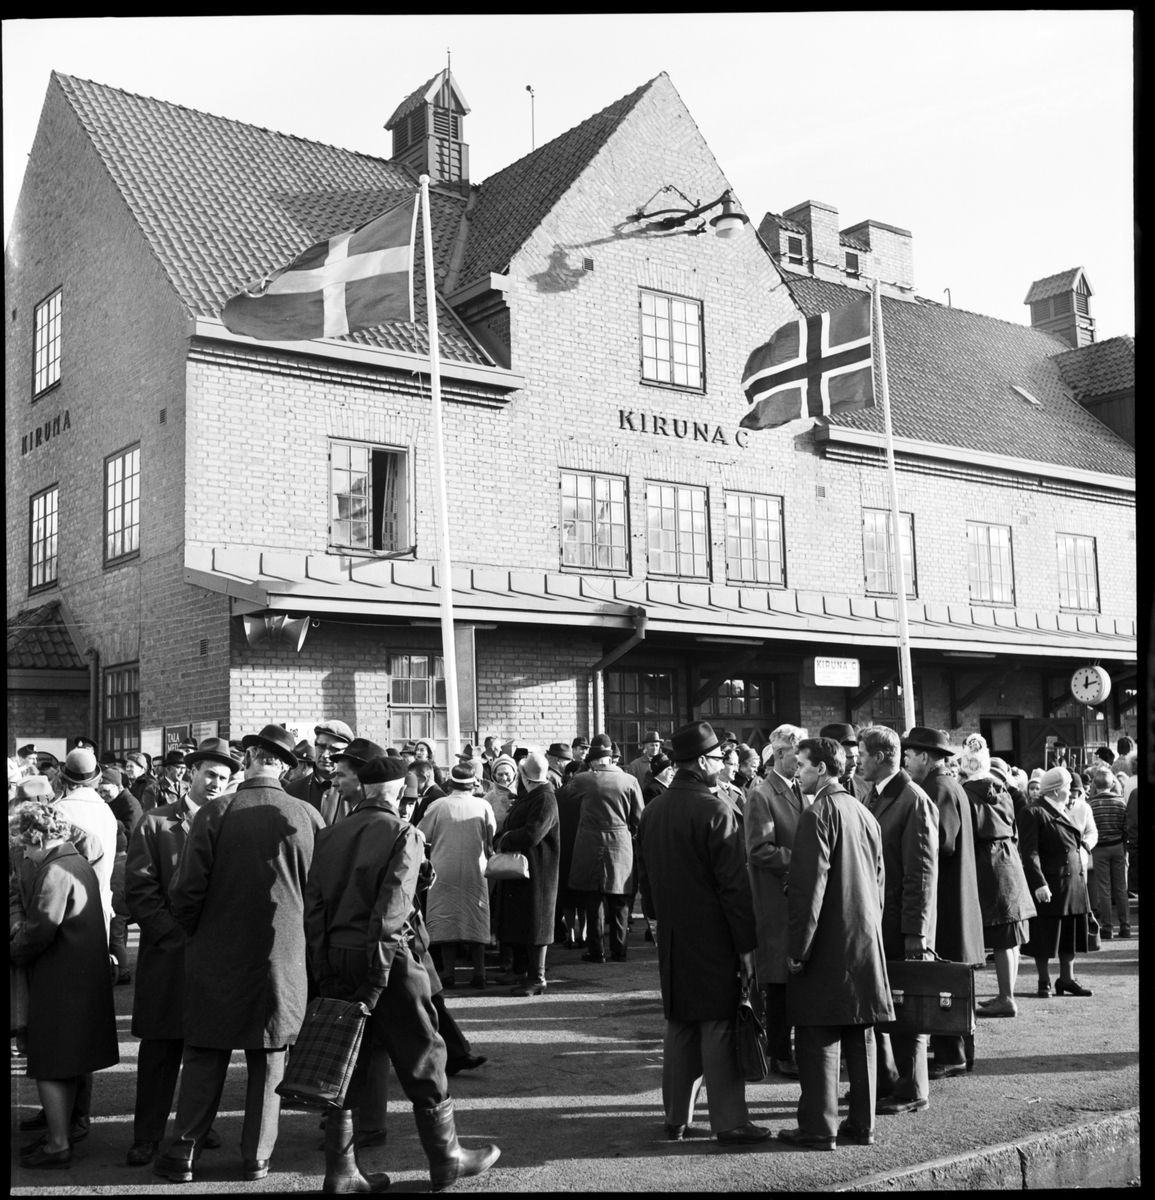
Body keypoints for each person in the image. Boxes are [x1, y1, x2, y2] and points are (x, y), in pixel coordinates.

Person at [304, 754, 499, 1193]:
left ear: (365, 789)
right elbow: (391, 910)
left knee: (346, 1060)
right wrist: (377, 976)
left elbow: (314, 907)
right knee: (423, 1052)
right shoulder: (403, 833)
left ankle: (342, 1172)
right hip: (387, 958)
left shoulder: (330, 834)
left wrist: (325, 966)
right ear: (396, 793)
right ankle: (446, 1159)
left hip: (337, 954)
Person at [153, 725, 324, 1184]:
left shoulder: (217, 811)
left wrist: (199, 933)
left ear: (248, 758)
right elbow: (322, 894)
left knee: (205, 1052)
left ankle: (183, 1152)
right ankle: (257, 1158)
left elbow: (186, 890)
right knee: (270, 1056)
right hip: (282, 958)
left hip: (216, 954)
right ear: (284, 767)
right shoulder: (307, 815)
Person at [636, 721, 768, 1146]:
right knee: (718, 1025)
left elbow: (646, 878)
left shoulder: (654, 810)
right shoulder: (716, 810)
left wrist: (656, 921)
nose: (724, 764)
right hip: (715, 934)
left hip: (673, 934)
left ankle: (676, 1117)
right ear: (699, 762)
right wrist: (746, 946)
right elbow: (734, 887)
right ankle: (729, 1122)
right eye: (717, 758)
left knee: (680, 1025)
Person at [123, 739, 236, 1166]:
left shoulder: (230, 825)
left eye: (224, 779)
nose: (216, 784)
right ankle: (147, 1135)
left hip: (212, 956)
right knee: (160, 1048)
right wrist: (174, 938)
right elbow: (140, 891)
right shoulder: (155, 823)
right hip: (167, 956)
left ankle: (196, 1126)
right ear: (191, 774)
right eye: (210, 775)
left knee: (205, 1048)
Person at [778, 737, 892, 1151]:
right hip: (864, 937)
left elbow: (808, 889)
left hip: (827, 940)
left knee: (818, 1035)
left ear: (822, 768)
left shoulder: (818, 813)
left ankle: (818, 1127)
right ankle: (863, 1124)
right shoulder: (864, 812)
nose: (797, 772)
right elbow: (879, 881)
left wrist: (798, 949)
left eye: (802, 765)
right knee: (860, 1033)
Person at [11, 798, 119, 1169]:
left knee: (48, 1062)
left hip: (59, 978)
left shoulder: (54, 871)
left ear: (37, 839)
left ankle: (57, 1143)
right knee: (68, 1062)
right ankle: (59, 1136)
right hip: (79, 975)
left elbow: (38, 931)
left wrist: (13, 947)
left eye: (25, 845)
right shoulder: (77, 861)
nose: (25, 853)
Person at [857, 724, 938, 1116]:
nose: (857, 761)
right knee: (884, 1004)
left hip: (901, 925)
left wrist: (915, 932)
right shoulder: (876, 795)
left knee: (908, 1005)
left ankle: (913, 1089)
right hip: (879, 920)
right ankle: (887, 1080)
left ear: (879, 757)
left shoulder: (913, 800)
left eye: (861, 754)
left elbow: (920, 874)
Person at [901, 728, 985, 1078]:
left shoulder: (938, 787)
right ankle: (958, 1052)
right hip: (955, 894)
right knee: (952, 979)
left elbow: (942, 843)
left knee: (946, 980)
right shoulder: (948, 784)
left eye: (909, 755)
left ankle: (953, 1055)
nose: (905, 761)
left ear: (925, 757)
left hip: (948, 897)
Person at [743, 723, 808, 1079]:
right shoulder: (762, 794)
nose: (803, 760)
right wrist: (804, 861)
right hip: (776, 899)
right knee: (779, 981)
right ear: (780, 754)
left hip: (797, 897)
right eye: (798, 753)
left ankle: (791, 1048)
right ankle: (780, 1052)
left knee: (796, 976)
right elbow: (759, 850)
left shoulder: (800, 789)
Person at [958, 735, 1035, 1019]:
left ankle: (1006, 998)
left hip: (987, 862)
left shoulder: (966, 793)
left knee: (1002, 937)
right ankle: (1006, 994)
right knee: (1010, 936)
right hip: (1009, 859)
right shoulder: (1003, 789)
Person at [418, 764, 497, 989]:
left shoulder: (438, 805)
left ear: (450, 783)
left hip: (444, 870)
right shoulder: (483, 805)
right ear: (473, 784)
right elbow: (491, 837)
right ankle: (480, 974)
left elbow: (422, 834)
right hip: (475, 870)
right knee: (476, 919)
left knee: (446, 922)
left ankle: (448, 974)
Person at [566, 734, 643, 964]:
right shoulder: (630, 780)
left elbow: (567, 795)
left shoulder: (584, 779)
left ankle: (596, 950)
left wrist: (583, 769)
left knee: (593, 900)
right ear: (610, 757)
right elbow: (638, 817)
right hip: (620, 844)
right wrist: (627, 832)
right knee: (620, 901)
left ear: (592, 760)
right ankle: (619, 951)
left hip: (590, 844)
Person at [1018, 766, 1094, 998]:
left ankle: (1067, 979)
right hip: (1051, 884)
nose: (1071, 792)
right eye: (1067, 787)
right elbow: (1029, 852)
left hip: (1073, 884)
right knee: (1044, 935)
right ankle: (1044, 981)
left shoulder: (1062, 809)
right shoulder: (1033, 812)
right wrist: (1039, 883)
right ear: (1054, 790)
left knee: (1070, 934)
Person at [496, 750, 560, 996]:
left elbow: (533, 834)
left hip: (538, 871)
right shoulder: (535, 795)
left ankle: (537, 978)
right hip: (524, 869)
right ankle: (521, 970)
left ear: (524, 776)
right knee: (522, 920)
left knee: (536, 924)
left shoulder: (544, 798)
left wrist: (505, 839)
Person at [54, 748, 117, 941]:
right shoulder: (107, 811)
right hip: (101, 901)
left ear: (65, 780)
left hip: (68, 907)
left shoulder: (59, 810)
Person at [96, 766, 137, 986]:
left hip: (120, 905)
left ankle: (123, 970)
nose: (102, 795)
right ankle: (123, 967)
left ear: (119, 786)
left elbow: (132, 834)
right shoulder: (114, 802)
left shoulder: (129, 804)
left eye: (106, 790)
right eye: (100, 791)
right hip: (124, 905)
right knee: (120, 936)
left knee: (117, 938)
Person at [1086, 766, 1130, 939]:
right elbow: (1126, 829)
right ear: (1112, 784)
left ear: (1095, 785)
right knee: (1121, 888)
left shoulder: (1091, 805)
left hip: (1099, 848)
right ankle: (1125, 927)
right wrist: (1125, 850)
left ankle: (1107, 928)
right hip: (1118, 846)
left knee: (1104, 889)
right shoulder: (1121, 803)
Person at [284, 719, 355, 819]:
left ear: (346, 752)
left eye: (333, 749)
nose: (325, 755)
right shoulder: (292, 791)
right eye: (321, 747)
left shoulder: (356, 793)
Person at [819, 724, 872, 803]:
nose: (854, 763)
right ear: (829, 757)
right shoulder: (811, 792)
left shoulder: (868, 788)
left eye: (856, 756)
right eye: (848, 757)